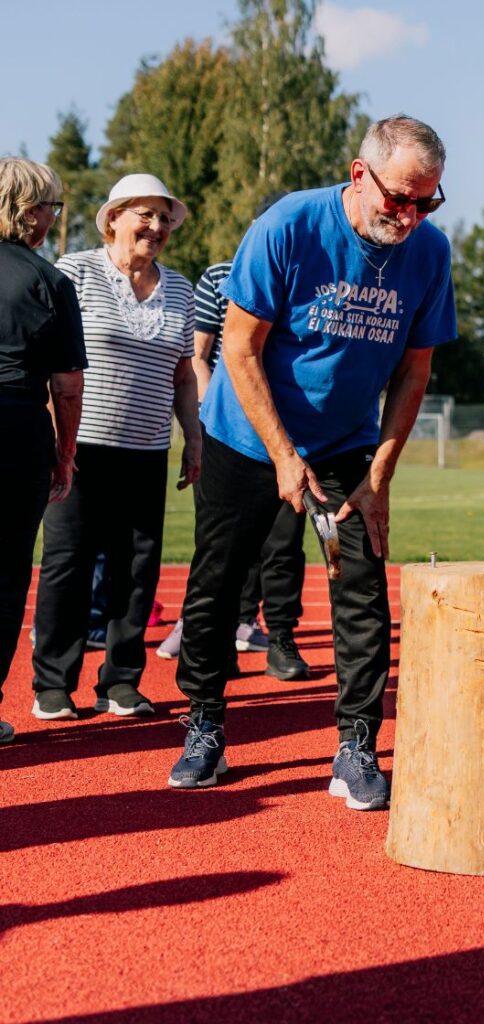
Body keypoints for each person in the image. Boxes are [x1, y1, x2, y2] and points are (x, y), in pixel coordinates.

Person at [170, 115, 456, 809]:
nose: (411, 216)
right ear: (361, 175)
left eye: (428, 201)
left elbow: (415, 374)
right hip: (246, 435)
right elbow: (237, 348)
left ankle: (356, 743)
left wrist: (378, 476)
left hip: (345, 443)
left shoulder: (430, 253)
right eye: (400, 199)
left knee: (360, 584)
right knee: (217, 584)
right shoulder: (289, 225)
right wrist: (281, 458)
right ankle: (205, 725)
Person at [30, 173, 202, 722]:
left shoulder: (180, 288)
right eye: (144, 215)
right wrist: (57, 440)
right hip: (78, 447)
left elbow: (183, 373)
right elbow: (47, 358)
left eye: (163, 218)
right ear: (112, 219)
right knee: (67, 564)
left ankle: (121, 680)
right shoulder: (73, 271)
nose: (156, 226)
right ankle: (53, 683)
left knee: (136, 567)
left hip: (146, 448)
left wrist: (192, 438)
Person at [157, 191, 311, 681]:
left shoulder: (311, 273)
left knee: (284, 543)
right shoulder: (220, 276)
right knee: (222, 544)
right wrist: (210, 416)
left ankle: (281, 639)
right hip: (228, 426)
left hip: (290, 429)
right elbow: (200, 354)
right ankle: (215, 641)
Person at [0, 157, 86, 744]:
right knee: (5, 577)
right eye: (52, 208)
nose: (54, 219)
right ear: (32, 213)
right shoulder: (50, 282)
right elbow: (66, 386)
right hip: (13, 432)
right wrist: (64, 454)